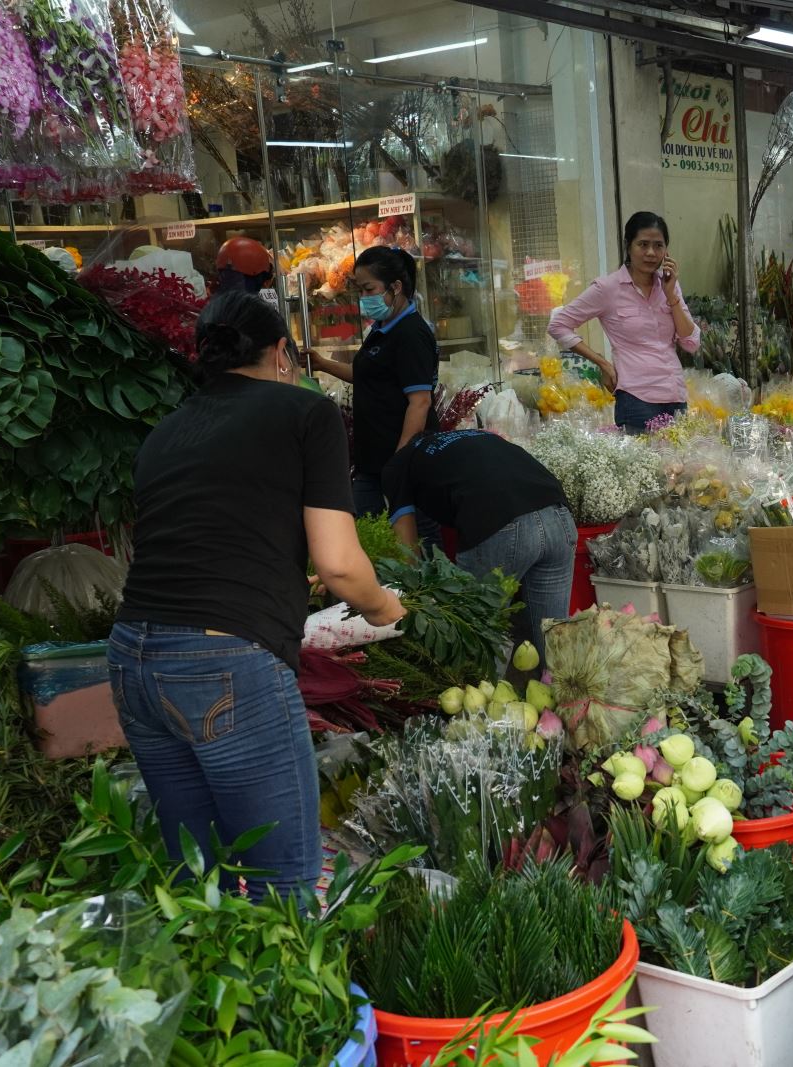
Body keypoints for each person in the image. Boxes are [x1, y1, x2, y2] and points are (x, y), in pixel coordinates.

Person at [109, 290, 405, 900]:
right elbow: (342, 566)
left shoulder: (166, 430)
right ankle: (280, 995)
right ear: (280, 354)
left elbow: (200, 541)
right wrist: (385, 609)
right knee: (283, 882)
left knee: (194, 875)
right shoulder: (304, 412)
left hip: (133, 657)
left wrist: (277, 574)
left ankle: (208, 987)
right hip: (223, 663)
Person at [382, 430, 575, 669]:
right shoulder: (473, 438)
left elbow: (407, 545)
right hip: (559, 515)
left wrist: (415, 597)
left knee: (481, 642)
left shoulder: (397, 465)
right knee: (555, 641)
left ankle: (486, 702)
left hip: (498, 521)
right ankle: (566, 703)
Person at [307, 247, 439, 516]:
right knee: (367, 530)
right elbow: (368, 377)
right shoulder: (380, 328)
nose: (364, 298)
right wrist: (322, 364)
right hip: (373, 460)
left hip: (399, 460)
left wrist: (400, 462)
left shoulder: (410, 334)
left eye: (369, 289)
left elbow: (420, 402)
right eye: (360, 291)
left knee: (415, 540)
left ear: (396, 287)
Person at [547, 211, 700, 433]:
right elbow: (558, 324)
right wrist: (602, 362)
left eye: (658, 246)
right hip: (637, 399)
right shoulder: (607, 288)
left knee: (678, 466)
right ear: (628, 246)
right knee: (645, 467)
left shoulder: (669, 286)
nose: (650, 253)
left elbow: (691, 342)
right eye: (643, 244)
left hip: (675, 395)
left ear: (667, 251)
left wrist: (671, 295)